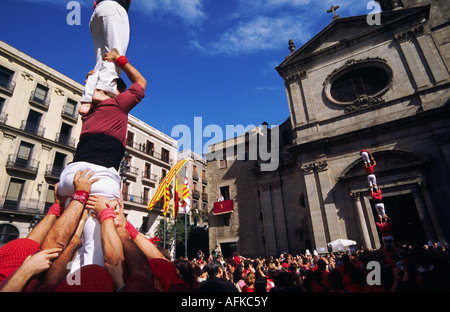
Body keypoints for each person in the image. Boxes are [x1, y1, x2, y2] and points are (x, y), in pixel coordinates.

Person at [57, 49, 147, 273]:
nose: (99, 88)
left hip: (71, 178)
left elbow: (85, 104)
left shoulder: (102, 108)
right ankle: (93, 282)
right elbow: (141, 82)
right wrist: (118, 61)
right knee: (94, 250)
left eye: (104, 87)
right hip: (99, 179)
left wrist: (92, 81)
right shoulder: (112, 106)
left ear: (117, 92)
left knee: (68, 241)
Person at [79, 0, 132, 115]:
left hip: (98, 11)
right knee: (115, 55)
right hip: (114, 8)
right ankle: (101, 91)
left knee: (101, 61)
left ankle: (87, 101)